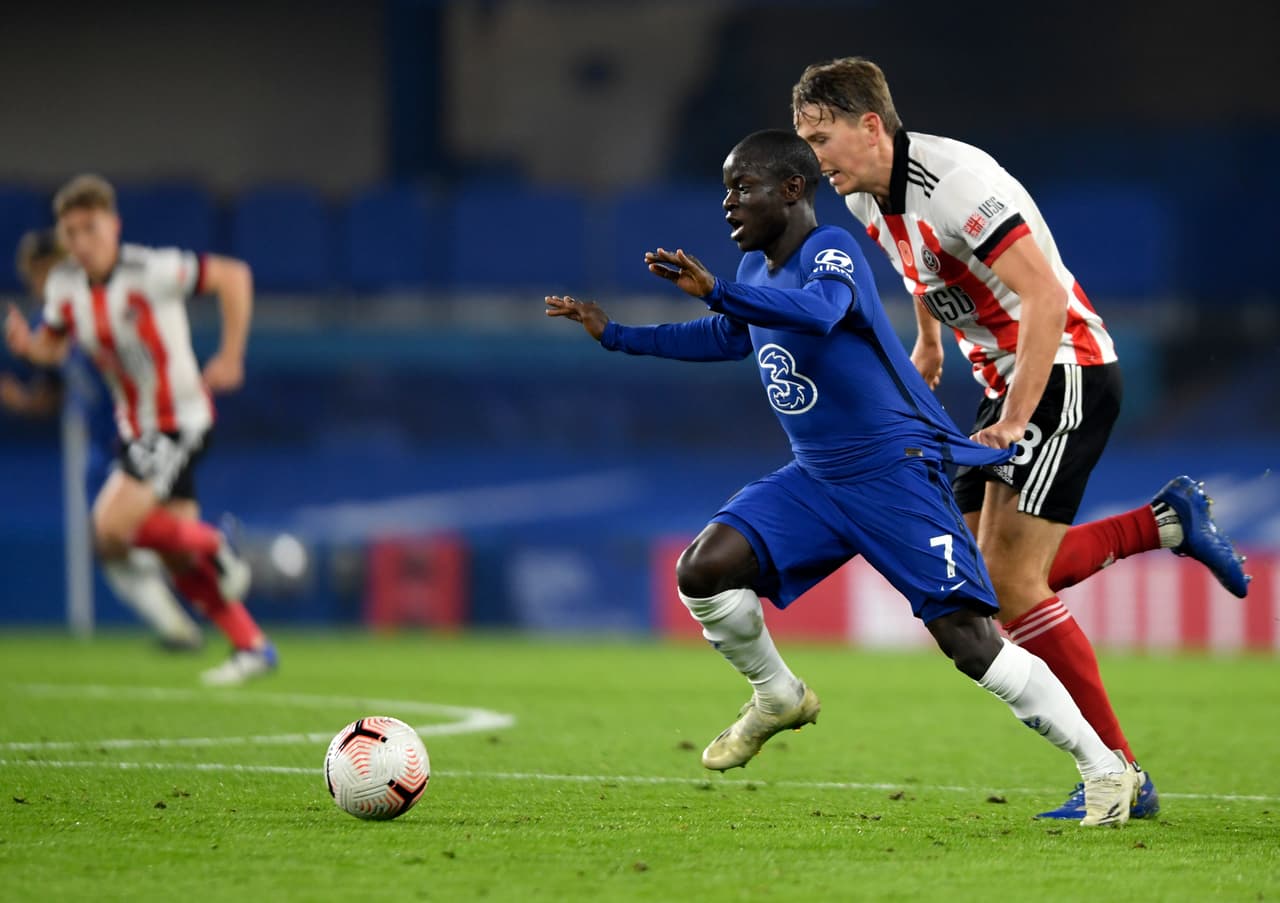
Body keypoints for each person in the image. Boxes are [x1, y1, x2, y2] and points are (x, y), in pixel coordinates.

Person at [548, 129, 1141, 826]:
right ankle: (778, 695)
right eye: (725, 188)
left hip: (894, 471)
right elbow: (727, 335)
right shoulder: (758, 275)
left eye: (743, 187)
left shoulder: (831, 252)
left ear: (792, 190)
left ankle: (1105, 770)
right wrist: (617, 332)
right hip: (818, 478)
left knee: (969, 639)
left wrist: (717, 292)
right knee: (705, 569)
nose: (728, 203)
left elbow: (825, 310)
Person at [791, 56, 1250, 819]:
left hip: (1063, 368)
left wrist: (1014, 415)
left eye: (822, 135)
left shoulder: (959, 183)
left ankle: (1121, 773)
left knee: (1005, 585)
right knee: (981, 581)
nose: (814, 157)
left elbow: (1040, 292)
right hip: (1009, 379)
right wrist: (930, 342)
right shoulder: (867, 195)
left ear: (870, 125)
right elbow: (922, 270)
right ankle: (1163, 522)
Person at [4, 174, 275, 686]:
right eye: (72, 231)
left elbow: (234, 275)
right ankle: (251, 646)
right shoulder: (64, 288)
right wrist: (28, 348)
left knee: (109, 528)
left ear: (114, 226)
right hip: (137, 428)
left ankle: (218, 542)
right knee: (176, 555)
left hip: (179, 421)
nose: (82, 240)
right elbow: (54, 348)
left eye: (91, 227)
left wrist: (232, 355)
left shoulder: (150, 269)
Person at [5, 229, 203, 650]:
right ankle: (177, 626)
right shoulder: (53, 325)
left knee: (148, 537)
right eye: (35, 273)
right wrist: (19, 399)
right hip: (102, 448)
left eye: (50, 269)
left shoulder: (96, 310)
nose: (42, 280)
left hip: (141, 434)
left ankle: (214, 553)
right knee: (112, 542)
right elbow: (48, 394)